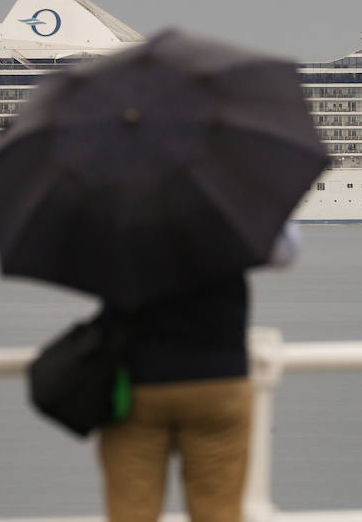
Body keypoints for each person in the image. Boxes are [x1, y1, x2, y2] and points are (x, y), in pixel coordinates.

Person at [97, 221, 301, 522]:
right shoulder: (224, 202)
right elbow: (286, 252)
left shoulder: (116, 208)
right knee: (218, 512)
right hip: (218, 377)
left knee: (131, 513)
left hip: (137, 382)